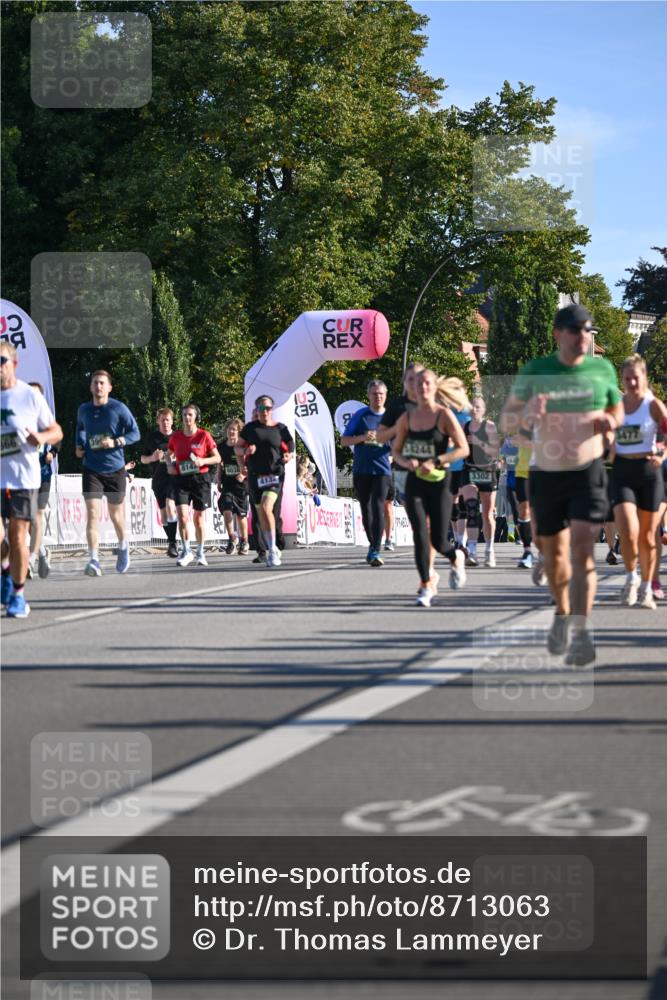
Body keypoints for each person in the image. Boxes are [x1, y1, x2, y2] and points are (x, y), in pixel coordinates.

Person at [501, 303, 623, 665]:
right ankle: (562, 611)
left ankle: (582, 632)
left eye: (587, 330)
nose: (583, 336)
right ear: (558, 334)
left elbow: (616, 409)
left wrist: (609, 421)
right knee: (554, 556)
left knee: (583, 549)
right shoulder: (537, 370)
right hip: (546, 472)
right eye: (575, 329)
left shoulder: (601, 369)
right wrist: (528, 413)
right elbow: (506, 420)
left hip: (587, 470)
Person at [392, 368, 468, 606]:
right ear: (413, 389)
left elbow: (463, 448)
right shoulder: (407, 418)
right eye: (419, 384)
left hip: (439, 482)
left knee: (439, 541)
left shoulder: (443, 415)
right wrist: (406, 461)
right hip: (415, 482)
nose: (423, 387)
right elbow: (396, 450)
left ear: (434, 387)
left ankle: (455, 556)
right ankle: (426, 585)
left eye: (427, 383)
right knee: (420, 535)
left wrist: (436, 461)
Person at [1, 342, 63, 617]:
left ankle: (17, 595)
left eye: (1, 361)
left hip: (23, 479)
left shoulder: (28, 395)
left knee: (17, 537)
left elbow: (56, 431)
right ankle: (5, 570)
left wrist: (40, 437)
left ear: (13, 364)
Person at [612, 355, 667, 610]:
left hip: (648, 471)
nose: (632, 383)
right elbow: (606, 431)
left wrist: (661, 453)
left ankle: (646, 587)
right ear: (622, 380)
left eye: (636, 378)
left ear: (644, 377)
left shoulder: (653, 405)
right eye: (627, 379)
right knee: (627, 529)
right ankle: (631, 577)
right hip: (623, 470)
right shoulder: (617, 406)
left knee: (646, 535)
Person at [75, 370, 140, 577]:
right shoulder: (84, 409)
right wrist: (79, 444)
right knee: (93, 514)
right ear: (90, 386)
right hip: (91, 468)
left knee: (115, 515)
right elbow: (80, 428)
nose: (98, 386)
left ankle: (123, 545)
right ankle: (94, 559)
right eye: (95, 382)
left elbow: (135, 433)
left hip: (115, 468)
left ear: (109, 387)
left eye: (102, 383)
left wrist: (116, 442)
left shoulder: (118, 408)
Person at [236, 396, 295, 568]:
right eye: (261, 408)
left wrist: (289, 455)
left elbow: (290, 444)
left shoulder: (280, 428)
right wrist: (245, 452)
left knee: (266, 507)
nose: (265, 411)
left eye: (268, 408)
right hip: (255, 476)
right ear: (257, 410)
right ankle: (271, 546)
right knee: (261, 513)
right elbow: (237, 448)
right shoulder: (250, 429)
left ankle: (272, 550)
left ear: (272, 409)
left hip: (275, 474)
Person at [341, 380, 392, 566]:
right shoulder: (360, 416)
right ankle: (372, 544)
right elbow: (344, 441)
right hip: (362, 470)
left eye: (381, 394)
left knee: (378, 506)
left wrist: (393, 455)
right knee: (366, 508)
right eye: (374, 394)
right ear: (369, 395)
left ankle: (376, 549)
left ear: (385, 396)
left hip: (382, 470)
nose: (378, 397)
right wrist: (362, 437)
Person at [167, 403, 221, 567]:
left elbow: (217, 458)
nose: (187, 417)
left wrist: (202, 461)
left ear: (196, 417)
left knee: (198, 519)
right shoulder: (176, 436)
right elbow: (168, 454)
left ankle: (200, 552)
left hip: (200, 480)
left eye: (190, 414)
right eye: (184, 415)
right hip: (181, 480)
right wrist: (169, 466)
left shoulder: (204, 435)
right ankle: (186, 551)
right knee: (182, 517)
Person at [460, 396, 500, 567]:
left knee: (487, 514)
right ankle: (472, 551)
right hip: (469, 469)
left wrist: (478, 442)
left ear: (483, 410)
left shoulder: (489, 426)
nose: (474, 410)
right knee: (471, 508)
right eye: (472, 407)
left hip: (487, 470)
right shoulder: (465, 427)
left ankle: (489, 550)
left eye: (477, 407)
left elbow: (495, 451)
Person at [27, 381, 59, 579]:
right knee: (27, 519)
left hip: (44, 475)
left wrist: (52, 453)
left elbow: (58, 440)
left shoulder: (46, 420)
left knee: (37, 515)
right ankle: (41, 552)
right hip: (25, 477)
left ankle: (30, 560)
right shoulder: (19, 418)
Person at [140, 407, 179, 558]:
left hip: (174, 478)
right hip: (158, 480)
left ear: (172, 421)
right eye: (162, 420)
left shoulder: (178, 437)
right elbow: (143, 459)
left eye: (167, 420)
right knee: (163, 514)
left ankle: (173, 543)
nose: (165, 423)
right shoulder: (152, 438)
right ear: (158, 421)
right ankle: (172, 542)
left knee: (170, 506)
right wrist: (152, 458)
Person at [216, 418, 250, 555]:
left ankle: (244, 541)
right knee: (226, 507)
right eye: (229, 429)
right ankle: (232, 538)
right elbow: (220, 464)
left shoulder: (242, 446)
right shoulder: (221, 446)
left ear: (239, 432)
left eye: (234, 430)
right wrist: (218, 479)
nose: (231, 432)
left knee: (241, 515)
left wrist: (243, 475)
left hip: (241, 485)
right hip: (227, 483)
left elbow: (249, 463)